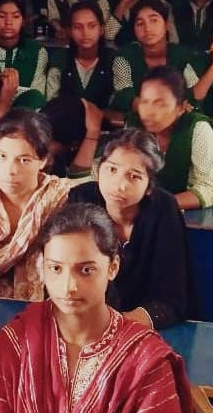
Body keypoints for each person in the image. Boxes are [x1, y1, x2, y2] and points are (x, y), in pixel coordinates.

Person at [0, 202, 196, 413]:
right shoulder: (17, 343)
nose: (69, 286)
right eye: (56, 268)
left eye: (86, 270)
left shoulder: (145, 361)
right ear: (41, 267)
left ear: (113, 267)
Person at [67, 128, 191, 328]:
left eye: (133, 176)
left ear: (149, 186)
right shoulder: (80, 200)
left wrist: (119, 325)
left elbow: (172, 298)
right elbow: (70, 277)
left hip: (149, 326)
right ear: (98, 170)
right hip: (88, 322)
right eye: (112, 170)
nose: (119, 185)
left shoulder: (164, 209)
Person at [0, 110, 71, 300]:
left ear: (43, 161)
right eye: (2, 156)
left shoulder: (60, 200)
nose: (11, 170)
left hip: (48, 307)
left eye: (24, 160)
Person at [129, 65, 213, 210]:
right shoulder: (133, 126)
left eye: (160, 104)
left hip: (196, 215)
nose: (150, 112)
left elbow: (207, 190)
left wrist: (158, 205)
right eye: (144, 102)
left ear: (181, 108)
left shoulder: (197, 128)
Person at [110, 0, 201, 112]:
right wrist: (160, 110)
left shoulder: (181, 54)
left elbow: (194, 92)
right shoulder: (125, 56)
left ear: (166, 24)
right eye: (140, 23)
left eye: (154, 20)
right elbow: (124, 95)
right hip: (137, 118)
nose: (147, 28)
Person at [45, 1, 118, 110]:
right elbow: (51, 103)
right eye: (78, 27)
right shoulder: (59, 59)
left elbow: (121, 101)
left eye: (92, 26)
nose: (85, 33)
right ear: (69, 31)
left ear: (102, 29)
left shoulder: (116, 60)